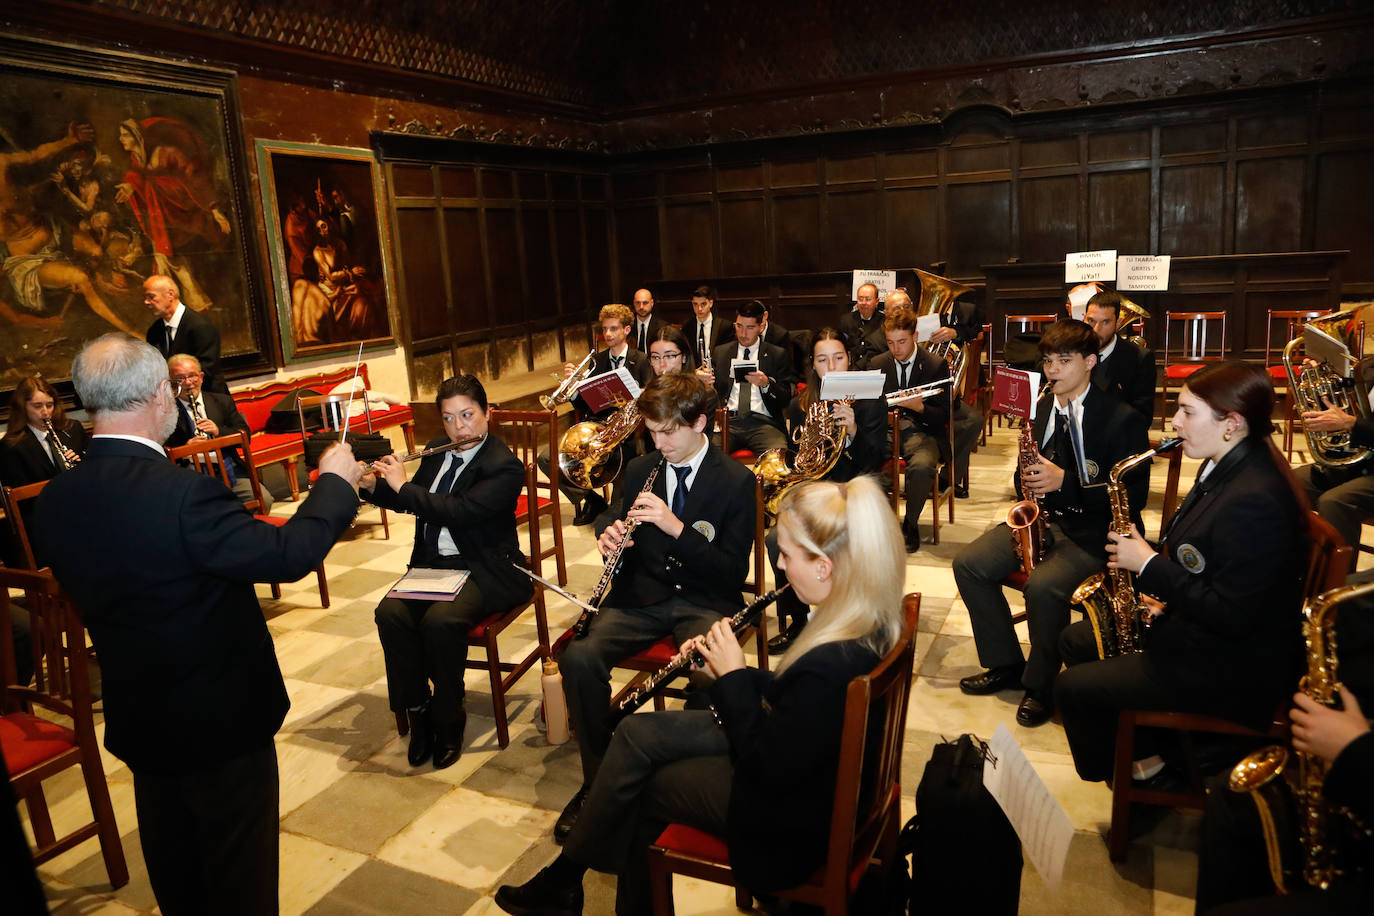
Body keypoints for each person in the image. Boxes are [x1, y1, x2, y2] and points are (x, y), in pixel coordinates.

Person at [31, 333, 363, 916]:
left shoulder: (56, 498)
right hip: (219, 724)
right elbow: (286, 557)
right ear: (161, 394)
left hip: (141, 716)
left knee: (176, 864)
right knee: (238, 876)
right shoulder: (185, 495)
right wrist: (335, 481)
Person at [495, 476, 906, 916]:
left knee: (643, 786)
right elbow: (803, 707)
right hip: (810, 773)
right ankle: (566, 881)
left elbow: (764, 764)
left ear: (824, 566)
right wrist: (734, 671)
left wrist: (730, 679)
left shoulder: (830, 659)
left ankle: (586, 889)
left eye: (785, 554)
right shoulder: (867, 619)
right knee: (636, 734)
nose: (780, 566)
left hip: (789, 827)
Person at [1054, 361, 1308, 787]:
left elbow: (1233, 615)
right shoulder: (1232, 464)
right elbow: (1218, 569)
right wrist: (1164, 593)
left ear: (1232, 422)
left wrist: (1149, 566)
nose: (1174, 421)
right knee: (1076, 640)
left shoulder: (1255, 499)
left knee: (1072, 689)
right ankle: (1150, 750)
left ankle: (1138, 777)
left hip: (1230, 668)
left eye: (1189, 411)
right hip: (1210, 635)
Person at [554, 372, 757, 844]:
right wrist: (608, 534)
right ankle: (598, 781)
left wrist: (675, 528)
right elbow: (615, 512)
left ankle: (692, 785)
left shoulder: (735, 481)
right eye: (653, 431)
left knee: (710, 671)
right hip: (642, 598)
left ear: (700, 422)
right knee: (579, 658)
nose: (659, 442)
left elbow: (730, 573)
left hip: (706, 601)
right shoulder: (641, 467)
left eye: (668, 432)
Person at [954, 319, 1150, 727]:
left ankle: (1041, 687)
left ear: (1090, 362)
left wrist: (1068, 483)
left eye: (1064, 360)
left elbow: (1133, 497)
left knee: (1043, 588)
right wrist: (1026, 478)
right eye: (1047, 361)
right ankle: (1005, 662)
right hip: (1042, 520)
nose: (1053, 370)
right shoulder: (1041, 406)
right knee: (968, 564)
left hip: (1095, 532)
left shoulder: (1121, 418)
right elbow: (1025, 472)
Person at [360, 375, 533, 770]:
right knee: (389, 614)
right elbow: (411, 500)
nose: (460, 428)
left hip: (483, 568)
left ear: (488, 413)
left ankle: (449, 716)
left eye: (468, 415)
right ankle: (419, 711)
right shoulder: (438, 449)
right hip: (432, 567)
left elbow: (461, 512)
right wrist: (374, 486)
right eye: (450, 418)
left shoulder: (503, 465)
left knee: (441, 621)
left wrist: (404, 488)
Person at [767, 329, 887, 652]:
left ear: (849, 360)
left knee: (845, 539)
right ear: (813, 366)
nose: (831, 367)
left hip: (856, 493)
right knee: (775, 537)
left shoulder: (869, 399)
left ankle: (858, 618)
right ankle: (797, 622)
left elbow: (875, 463)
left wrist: (853, 433)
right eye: (822, 360)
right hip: (817, 494)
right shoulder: (800, 404)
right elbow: (797, 461)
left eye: (838, 358)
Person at [539, 303, 652, 526]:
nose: (608, 334)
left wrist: (639, 393)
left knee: (618, 513)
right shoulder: (596, 361)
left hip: (626, 436)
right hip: (594, 429)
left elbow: (650, 397)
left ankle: (614, 508)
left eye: (613, 329)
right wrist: (573, 386)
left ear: (626, 330)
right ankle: (591, 499)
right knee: (547, 458)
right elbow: (581, 403)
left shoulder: (641, 361)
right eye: (605, 329)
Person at [870, 302, 951, 554]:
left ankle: (911, 523)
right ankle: (881, 523)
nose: (896, 349)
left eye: (902, 342)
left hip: (922, 430)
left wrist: (920, 408)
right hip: (885, 430)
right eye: (891, 342)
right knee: (866, 460)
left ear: (915, 337)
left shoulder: (935, 364)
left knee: (922, 466)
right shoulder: (877, 362)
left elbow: (944, 416)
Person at [1293, 354, 1374, 570]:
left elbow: (1350, 421)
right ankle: (1293, 572)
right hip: (1354, 464)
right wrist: (1319, 377)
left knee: (1336, 502)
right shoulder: (1367, 366)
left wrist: (1352, 424)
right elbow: (1338, 405)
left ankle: (1336, 587)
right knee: (1285, 482)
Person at [164, 353, 270, 511]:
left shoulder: (222, 401)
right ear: (172, 383)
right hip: (191, 477)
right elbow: (162, 449)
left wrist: (218, 431)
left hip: (229, 472)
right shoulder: (164, 411)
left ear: (201, 377)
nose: (188, 383)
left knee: (265, 500)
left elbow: (245, 435)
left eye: (192, 376)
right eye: (180, 378)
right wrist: (185, 450)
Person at [700, 299, 796, 453]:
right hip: (727, 422)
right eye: (739, 326)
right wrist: (703, 381)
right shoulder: (721, 352)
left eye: (750, 328)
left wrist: (766, 384)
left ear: (761, 327)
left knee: (777, 460)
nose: (743, 334)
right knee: (706, 453)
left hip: (763, 423)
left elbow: (786, 397)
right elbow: (711, 391)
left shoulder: (776, 354)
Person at [143, 274, 231, 395]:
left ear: (170, 294)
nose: (146, 302)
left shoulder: (200, 326)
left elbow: (206, 368)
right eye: (145, 297)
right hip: (176, 403)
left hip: (209, 399)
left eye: (151, 297)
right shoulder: (154, 331)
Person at [0, 375, 88, 488]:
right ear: (23, 407)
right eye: (37, 406)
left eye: (49, 405)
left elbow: (95, 469)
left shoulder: (73, 429)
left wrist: (80, 465)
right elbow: (21, 497)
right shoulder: (11, 447)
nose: (46, 412)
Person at [1084, 289, 1157, 420]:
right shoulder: (1075, 351)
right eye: (1091, 321)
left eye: (1105, 322)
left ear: (1118, 323)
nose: (1096, 329)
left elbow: (1141, 417)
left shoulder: (1140, 358)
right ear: (1083, 318)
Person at [837, 282, 888, 369]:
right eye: (860, 299)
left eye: (868, 299)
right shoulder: (846, 320)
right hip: (852, 368)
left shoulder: (884, 321)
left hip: (874, 367)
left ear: (876, 301)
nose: (863, 303)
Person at [683, 284, 729, 365]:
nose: (699, 309)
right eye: (695, 304)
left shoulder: (724, 326)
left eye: (703, 304)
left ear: (710, 303)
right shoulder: (687, 326)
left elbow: (726, 355)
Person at [630, 287, 665, 355]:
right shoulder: (627, 326)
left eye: (645, 303)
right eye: (638, 303)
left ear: (652, 303)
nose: (641, 307)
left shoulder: (662, 327)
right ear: (634, 303)